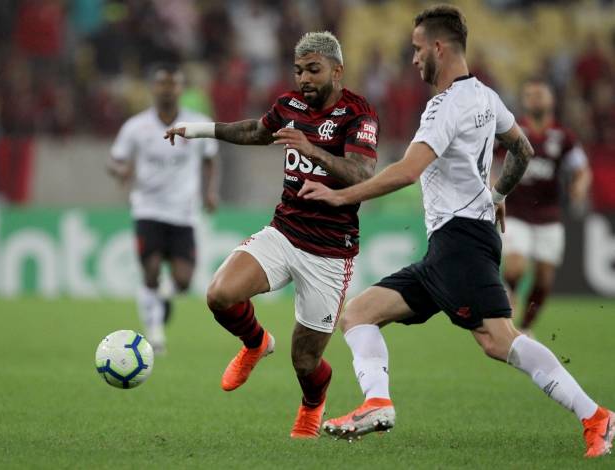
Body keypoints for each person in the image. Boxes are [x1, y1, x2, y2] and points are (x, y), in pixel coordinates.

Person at [298, 5, 613, 458]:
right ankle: (377, 402)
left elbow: (408, 172)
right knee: (358, 313)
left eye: (417, 49)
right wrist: (499, 194)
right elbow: (520, 149)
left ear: (438, 48)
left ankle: (597, 417)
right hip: (452, 244)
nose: (412, 59)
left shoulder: (444, 107)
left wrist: (341, 197)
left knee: (498, 339)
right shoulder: (485, 96)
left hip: (460, 242)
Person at [164, 31, 379, 438]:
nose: (304, 79)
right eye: (299, 71)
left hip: (330, 252)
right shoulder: (289, 105)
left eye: (313, 70)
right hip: (284, 231)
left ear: (337, 70)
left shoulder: (359, 113)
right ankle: (256, 342)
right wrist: (196, 130)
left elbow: (363, 173)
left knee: (305, 361)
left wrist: (311, 149)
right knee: (220, 294)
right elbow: (253, 131)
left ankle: (313, 403)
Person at [107, 63, 219, 355]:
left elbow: (209, 158)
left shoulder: (197, 123)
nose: (167, 89)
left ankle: (163, 298)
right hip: (148, 210)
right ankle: (155, 336)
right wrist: (120, 171)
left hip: (183, 212)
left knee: (183, 280)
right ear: (153, 88)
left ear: (181, 89)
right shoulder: (136, 127)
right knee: (151, 270)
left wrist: (209, 192)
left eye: (173, 84)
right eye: (161, 84)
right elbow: (115, 159)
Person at [497, 78, 591, 335]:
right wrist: (492, 186)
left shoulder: (564, 136)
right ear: (524, 101)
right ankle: (512, 291)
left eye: (540, 94)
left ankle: (525, 328)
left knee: (544, 280)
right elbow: (489, 159)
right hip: (516, 211)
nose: (535, 99)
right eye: (530, 95)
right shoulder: (513, 131)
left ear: (551, 100)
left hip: (549, 215)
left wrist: (580, 185)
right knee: (516, 265)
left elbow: (581, 169)